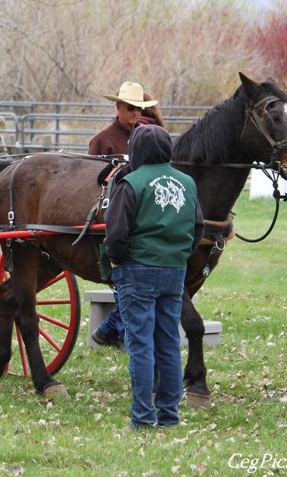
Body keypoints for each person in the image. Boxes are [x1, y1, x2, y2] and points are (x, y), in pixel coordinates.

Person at [104, 124, 204, 430]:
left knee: (140, 345)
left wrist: (117, 260)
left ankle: (143, 418)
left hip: (137, 271)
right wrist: (178, 255)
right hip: (174, 273)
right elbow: (198, 227)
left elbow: (116, 232)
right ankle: (169, 416)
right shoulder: (187, 182)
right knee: (169, 343)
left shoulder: (130, 183)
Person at [89, 81, 160, 350]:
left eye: (139, 108)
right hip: (114, 216)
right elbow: (91, 181)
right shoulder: (103, 140)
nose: (134, 113)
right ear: (118, 107)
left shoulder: (148, 134)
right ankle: (116, 330)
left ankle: (112, 329)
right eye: (130, 108)